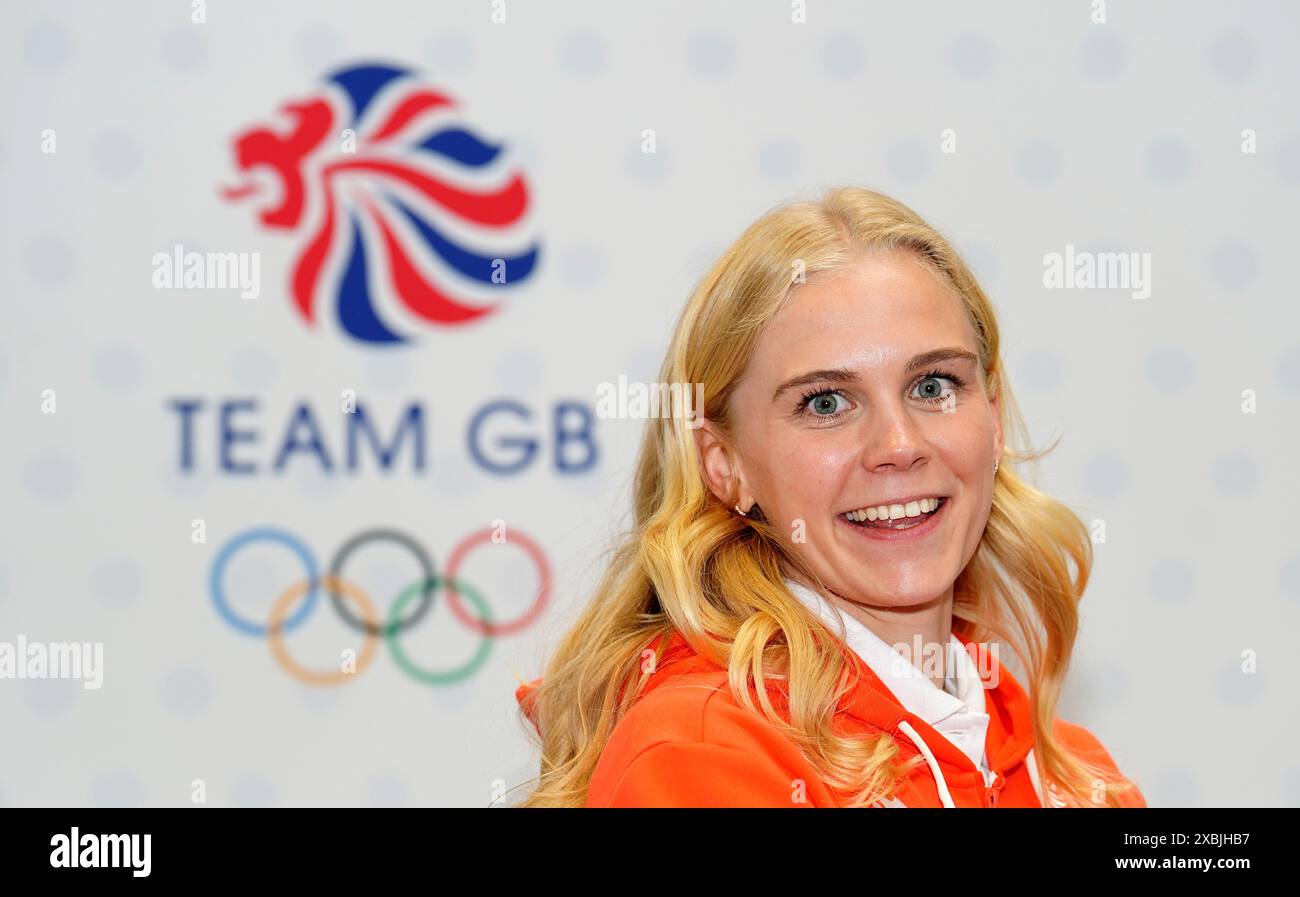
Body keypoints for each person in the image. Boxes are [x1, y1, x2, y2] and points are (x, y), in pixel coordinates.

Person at [513, 186, 1146, 808]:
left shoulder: (1075, 776)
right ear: (724, 464)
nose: (899, 444)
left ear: (994, 416)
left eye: (933, 385)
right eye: (826, 403)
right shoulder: (699, 751)